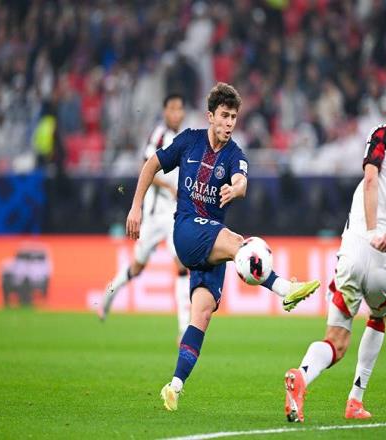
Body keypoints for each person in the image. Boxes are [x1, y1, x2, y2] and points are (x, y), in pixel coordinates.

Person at [125, 82, 320, 412]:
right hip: (186, 231)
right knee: (239, 243)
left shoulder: (234, 154)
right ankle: (285, 289)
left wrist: (235, 188)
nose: (229, 123)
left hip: (210, 244)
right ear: (210, 116)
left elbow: (241, 180)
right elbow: (150, 165)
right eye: (224, 116)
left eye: (233, 117)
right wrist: (135, 207)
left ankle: (174, 386)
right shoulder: (188, 140)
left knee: (201, 315)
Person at [283, 75, 386, 423]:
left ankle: (303, 375)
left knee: (336, 341)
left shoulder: (383, 133)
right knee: (378, 317)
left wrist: (371, 231)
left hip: (357, 247)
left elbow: (371, 179)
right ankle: (355, 399)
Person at [99, 94, 191, 340]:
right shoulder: (158, 135)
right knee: (137, 267)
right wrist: (168, 186)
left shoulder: (185, 138)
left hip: (174, 214)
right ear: (165, 112)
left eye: (179, 109)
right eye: (172, 108)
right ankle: (109, 294)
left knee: (182, 266)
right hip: (153, 214)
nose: (176, 113)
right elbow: (145, 167)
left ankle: (183, 328)